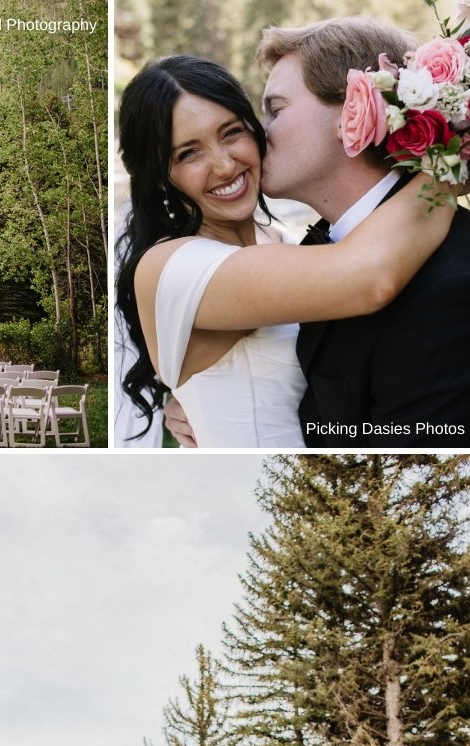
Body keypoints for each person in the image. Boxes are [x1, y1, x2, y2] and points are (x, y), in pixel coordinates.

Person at [116, 38, 458, 449]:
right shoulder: (171, 267)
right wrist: (450, 159)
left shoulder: (275, 240)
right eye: (189, 154)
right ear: (159, 177)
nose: (225, 166)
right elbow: (368, 278)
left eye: (231, 132)